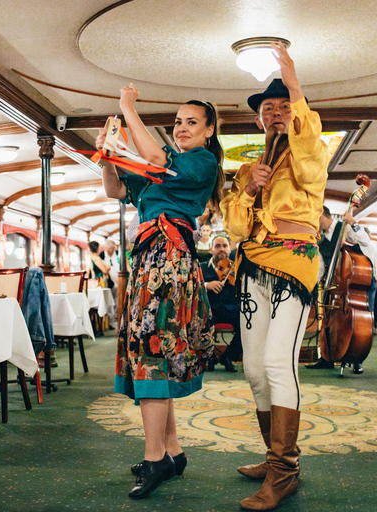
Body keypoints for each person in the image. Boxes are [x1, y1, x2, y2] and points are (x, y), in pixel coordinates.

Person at [100, 84, 223, 499]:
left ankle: (154, 460)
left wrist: (127, 110)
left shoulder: (199, 163)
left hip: (168, 263)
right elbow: (116, 190)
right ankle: (171, 452)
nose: (183, 128)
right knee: (155, 355)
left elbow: (153, 155)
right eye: (178, 123)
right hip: (150, 263)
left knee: (152, 355)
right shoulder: (159, 171)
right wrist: (108, 156)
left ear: (208, 132)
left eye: (192, 122)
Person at [220, 43, 328, 510]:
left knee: (279, 364)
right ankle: (273, 455)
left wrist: (293, 79)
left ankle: (285, 470)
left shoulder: (310, 147)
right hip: (254, 264)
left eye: (286, 106)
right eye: (270, 108)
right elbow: (235, 227)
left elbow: (307, 159)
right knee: (252, 367)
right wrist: (248, 190)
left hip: (294, 261)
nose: (279, 113)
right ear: (259, 119)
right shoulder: (248, 167)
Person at [309, 206, 377, 373]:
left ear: (320, 217)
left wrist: (353, 223)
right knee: (327, 320)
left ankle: (356, 358)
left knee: (354, 322)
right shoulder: (320, 239)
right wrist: (317, 284)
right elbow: (321, 264)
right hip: (331, 286)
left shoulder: (343, 228)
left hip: (347, 286)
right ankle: (327, 357)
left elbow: (365, 241)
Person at [201, 234, 242, 372]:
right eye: (217, 246)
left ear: (230, 249)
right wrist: (206, 285)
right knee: (200, 323)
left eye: (225, 246)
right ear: (211, 249)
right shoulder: (201, 267)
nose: (221, 249)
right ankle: (209, 357)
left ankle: (228, 356)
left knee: (247, 325)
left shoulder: (236, 269)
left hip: (230, 309)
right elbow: (192, 286)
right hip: (209, 309)